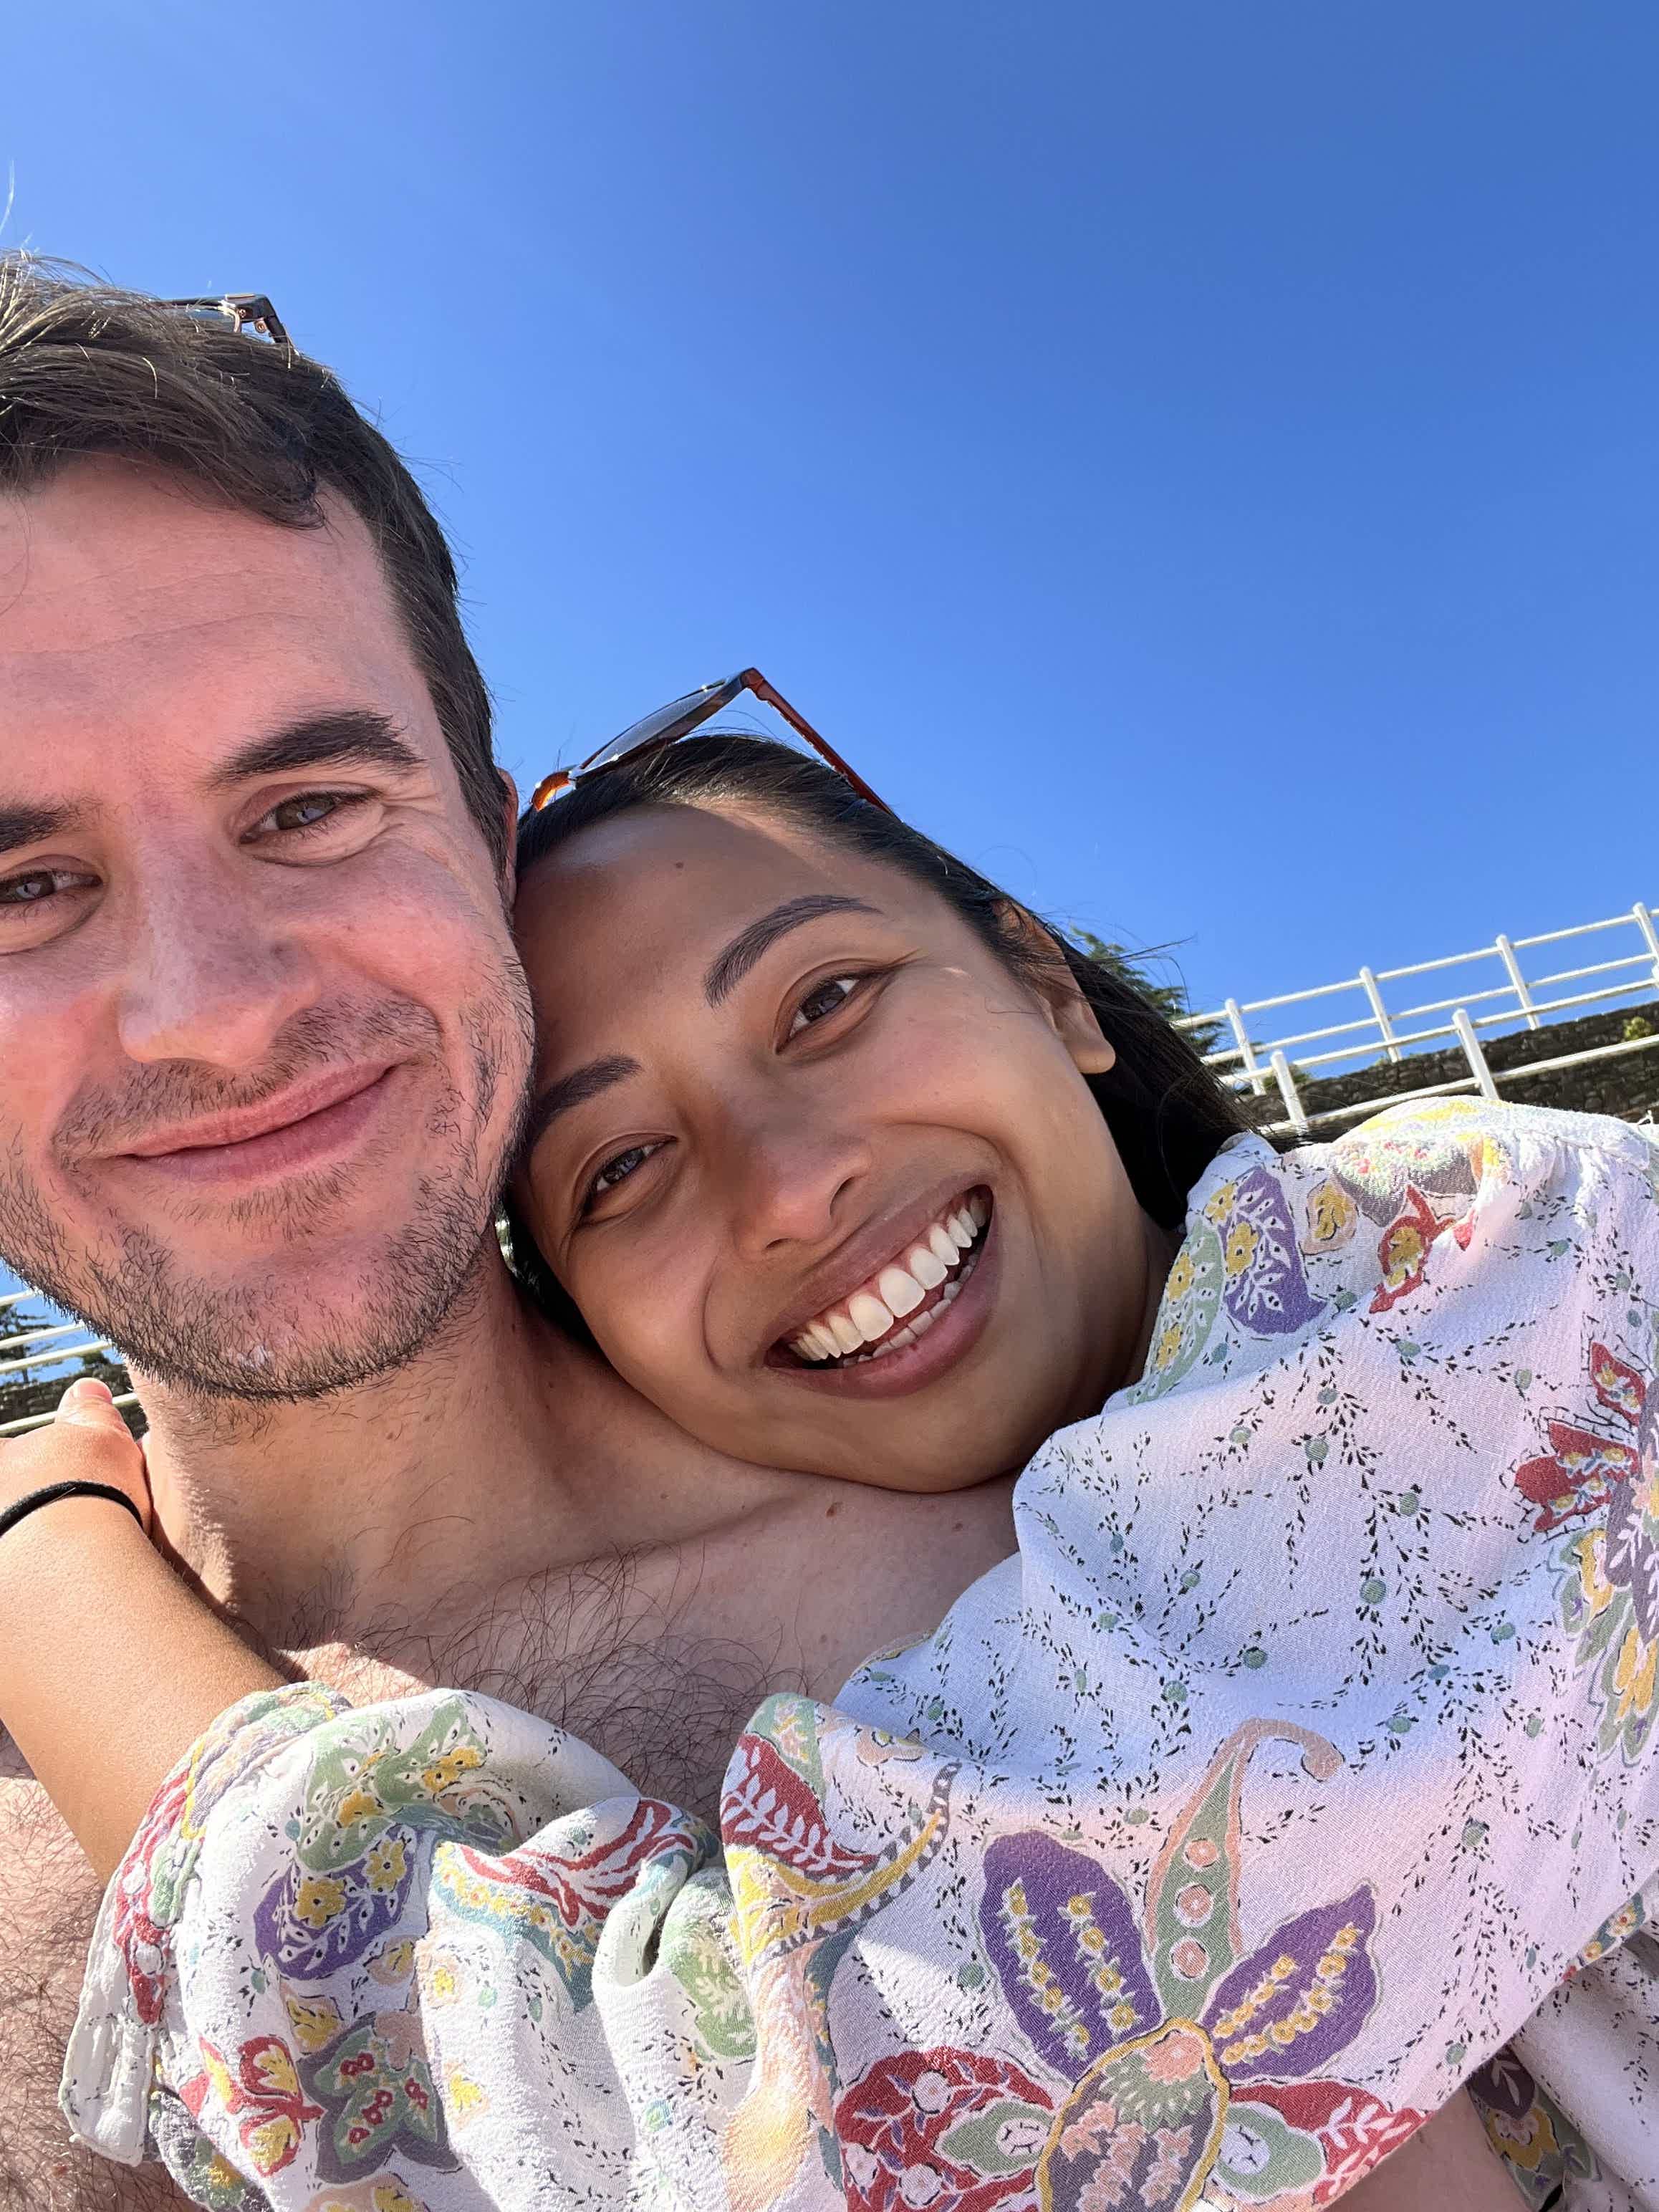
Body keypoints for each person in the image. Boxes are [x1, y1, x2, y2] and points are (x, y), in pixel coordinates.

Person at [5, 725, 1655, 2198]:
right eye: (620, 1166)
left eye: (824, 1001)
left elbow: (801, 2133)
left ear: (1044, 981)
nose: (788, 1186)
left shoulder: (1495, 1263)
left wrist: (57, 1574)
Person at [0, 259, 1023, 2211]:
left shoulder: (1060, 1595)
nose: (210, 1009)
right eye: (23, 884)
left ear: (492, 845)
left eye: (308, 807)